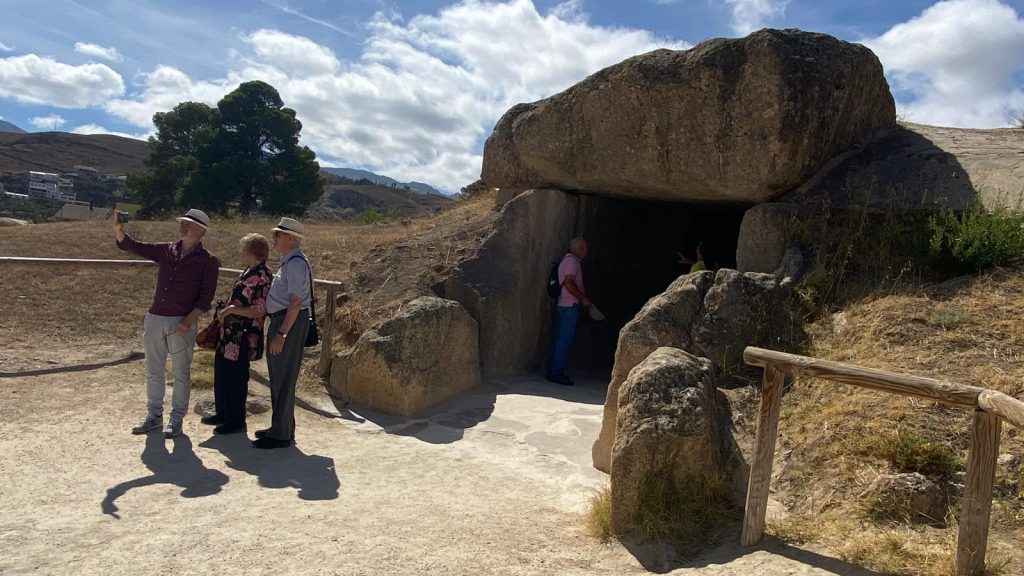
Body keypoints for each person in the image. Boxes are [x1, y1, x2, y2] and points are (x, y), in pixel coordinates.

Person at [112, 208, 220, 438]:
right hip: (156, 318)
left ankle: (176, 419)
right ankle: (154, 415)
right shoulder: (167, 249)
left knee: (181, 373)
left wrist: (187, 322)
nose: (182, 226)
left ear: (200, 231)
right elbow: (135, 246)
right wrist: (118, 230)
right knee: (154, 370)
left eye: (188, 224)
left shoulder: (208, 261)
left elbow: (205, 298)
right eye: (182, 222)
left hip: (182, 323)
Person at [201, 233, 273, 435]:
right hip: (229, 334)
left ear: (251, 252)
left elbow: (259, 309)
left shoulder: (261, 276)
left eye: (244, 249)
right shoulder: (249, 271)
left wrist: (232, 310)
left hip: (243, 335)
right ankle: (223, 413)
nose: (241, 253)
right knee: (223, 372)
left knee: (236, 378)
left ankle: (236, 420)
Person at [255, 217, 313, 449]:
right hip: (286, 321)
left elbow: (296, 302)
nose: (274, 239)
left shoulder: (295, 264)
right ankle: (281, 427)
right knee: (279, 376)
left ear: (290, 238)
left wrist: (282, 334)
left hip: (288, 323)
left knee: (284, 377)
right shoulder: (291, 262)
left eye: (278, 235)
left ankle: (281, 434)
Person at [546, 237, 591, 387]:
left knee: (559, 339)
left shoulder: (568, 260)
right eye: (584, 247)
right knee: (564, 340)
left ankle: (552, 370)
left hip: (563, 305)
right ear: (578, 248)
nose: (586, 250)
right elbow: (568, 283)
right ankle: (556, 372)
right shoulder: (572, 262)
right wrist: (582, 298)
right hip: (569, 305)